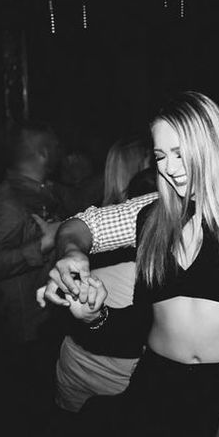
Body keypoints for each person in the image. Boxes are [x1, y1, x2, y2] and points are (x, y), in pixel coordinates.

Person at [37, 92, 219, 437]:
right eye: (160, 156)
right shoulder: (152, 221)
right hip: (158, 390)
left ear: (209, 147)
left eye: (181, 153)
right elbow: (140, 327)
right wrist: (94, 315)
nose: (171, 169)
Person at [54, 136, 151, 412]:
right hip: (115, 377)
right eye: (156, 158)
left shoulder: (92, 215)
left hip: (76, 364)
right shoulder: (126, 226)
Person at [0, 123, 67, 395]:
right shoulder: (8, 202)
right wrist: (43, 244)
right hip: (24, 331)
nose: (62, 152)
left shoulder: (38, 190)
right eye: (56, 146)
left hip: (43, 318)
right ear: (43, 152)